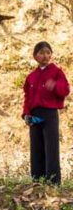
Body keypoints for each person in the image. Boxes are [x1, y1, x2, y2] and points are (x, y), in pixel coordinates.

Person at [22, 41, 69, 184]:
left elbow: (65, 90)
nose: (45, 56)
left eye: (48, 52)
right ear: (35, 56)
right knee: (36, 147)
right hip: (34, 114)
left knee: (51, 147)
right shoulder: (31, 76)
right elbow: (28, 97)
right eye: (42, 53)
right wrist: (26, 114)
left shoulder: (57, 72)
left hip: (49, 114)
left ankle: (53, 182)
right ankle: (37, 179)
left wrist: (54, 85)